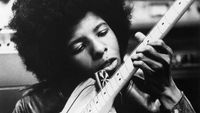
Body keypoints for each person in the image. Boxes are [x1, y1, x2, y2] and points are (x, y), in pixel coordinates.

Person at [9, 0, 196, 113]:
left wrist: (169, 92)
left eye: (102, 32)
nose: (98, 48)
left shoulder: (150, 86)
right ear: (59, 59)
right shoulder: (31, 107)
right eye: (80, 46)